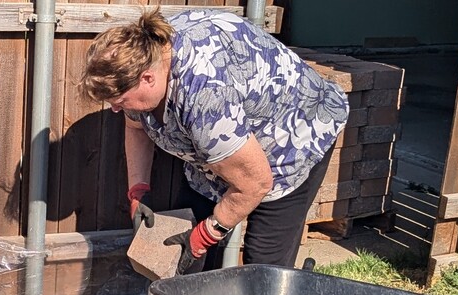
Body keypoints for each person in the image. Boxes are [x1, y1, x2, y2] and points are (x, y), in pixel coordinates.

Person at [80, 7, 349, 274]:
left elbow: (256, 183)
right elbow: (136, 127)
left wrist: (204, 237)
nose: (115, 109)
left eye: (119, 101)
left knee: (262, 268)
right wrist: (137, 191)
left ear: (147, 79)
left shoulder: (206, 99)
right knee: (184, 245)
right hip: (227, 137)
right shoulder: (145, 57)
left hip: (293, 135)